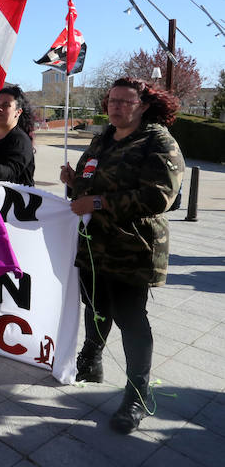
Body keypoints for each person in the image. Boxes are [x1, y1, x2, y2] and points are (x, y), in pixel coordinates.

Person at [59, 77, 184, 435]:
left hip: (134, 249)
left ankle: (137, 396)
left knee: (131, 318)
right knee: (96, 306)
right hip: (94, 245)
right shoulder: (102, 138)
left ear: (143, 105)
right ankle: (91, 359)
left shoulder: (157, 141)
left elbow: (159, 197)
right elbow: (89, 182)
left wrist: (96, 201)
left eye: (125, 102)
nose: (115, 106)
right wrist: (74, 182)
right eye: (112, 100)